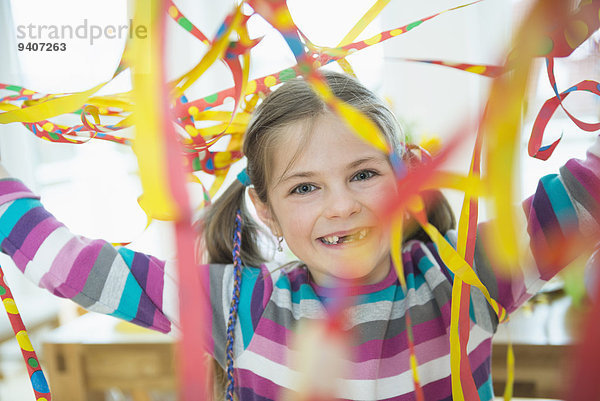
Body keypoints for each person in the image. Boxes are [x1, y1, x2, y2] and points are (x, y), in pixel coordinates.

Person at [0, 71, 598, 401]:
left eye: (364, 174)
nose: (341, 206)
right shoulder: (242, 307)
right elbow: (72, 267)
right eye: (304, 188)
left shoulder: (471, 276)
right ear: (265, 209)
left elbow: (586, 196)